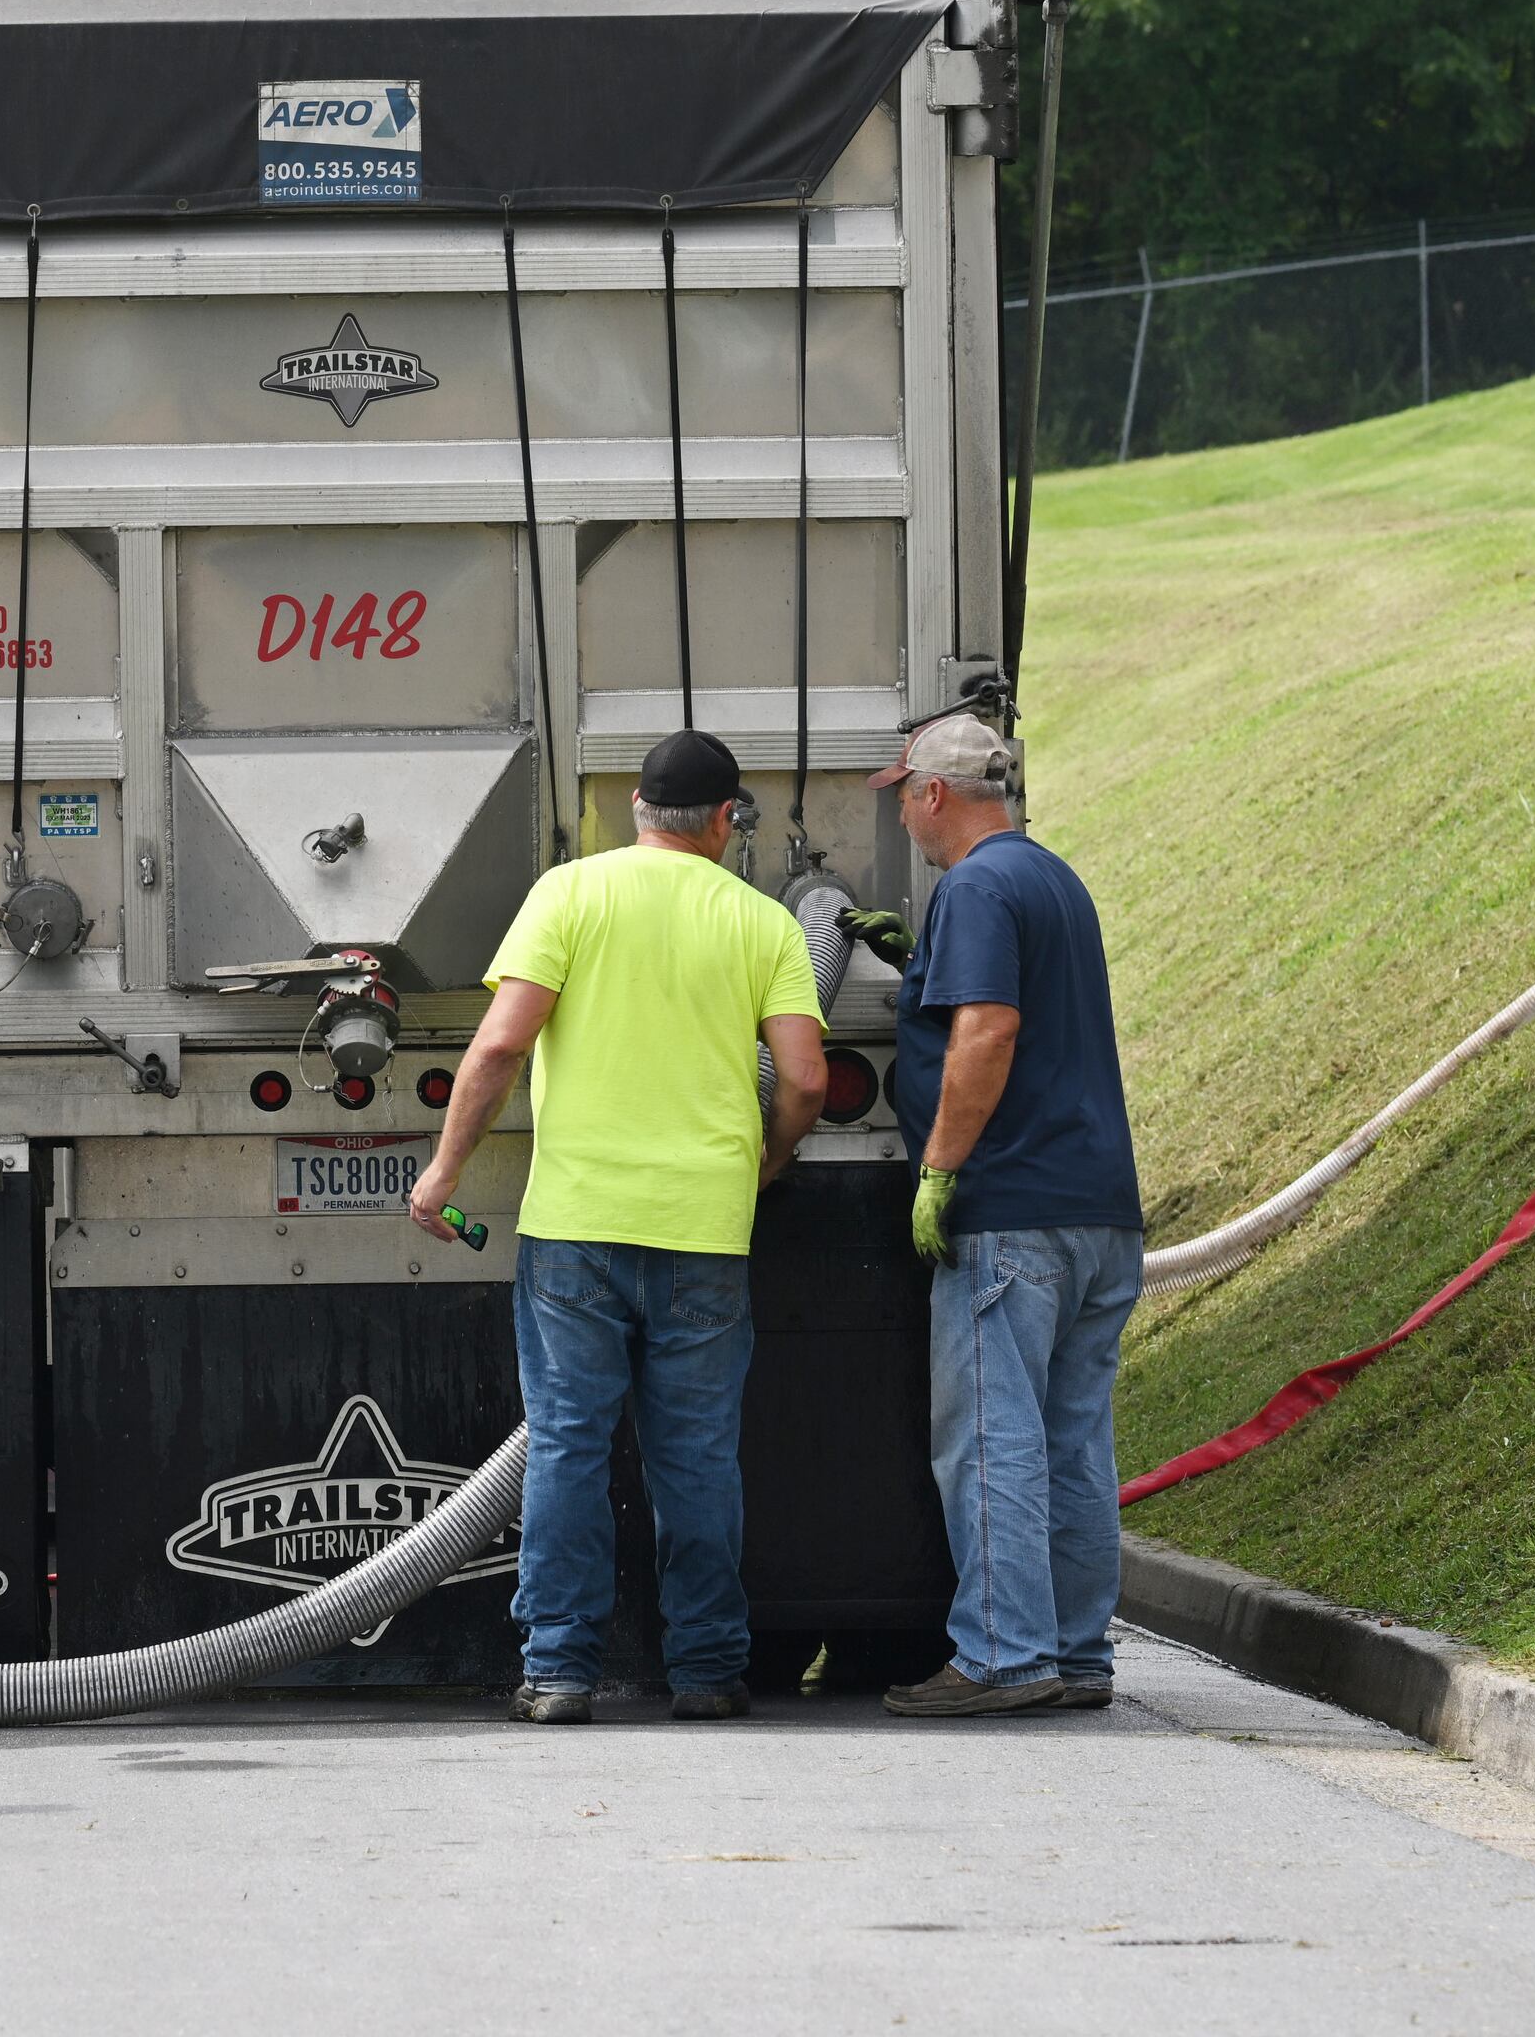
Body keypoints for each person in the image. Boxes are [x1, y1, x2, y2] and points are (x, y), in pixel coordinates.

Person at [408, 727, 826, 1723]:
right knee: (697, 1461)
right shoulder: (763, 922)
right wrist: (761, 1163)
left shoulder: (570, 894)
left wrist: (444, 1170)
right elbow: (806, 1077)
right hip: (706, 1233)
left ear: (636, 808)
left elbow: (503, 1042)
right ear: (726, 821)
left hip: (577, 1228)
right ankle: (710, 1672)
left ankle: (558, 1672)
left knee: (566, 1448)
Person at [872, 710, 1143, 1718]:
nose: (901, 811)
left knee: (992, 1437)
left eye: (905, 792)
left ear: (936, 793)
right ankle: (1076, 1652)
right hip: (1097, 1212)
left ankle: (1002, 1655)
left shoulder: (977, 886)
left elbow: (988, 1030)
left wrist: (941, 1169)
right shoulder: (1049, 876)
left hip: (1012, 1213)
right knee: (1074, 1441)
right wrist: (923, 970)